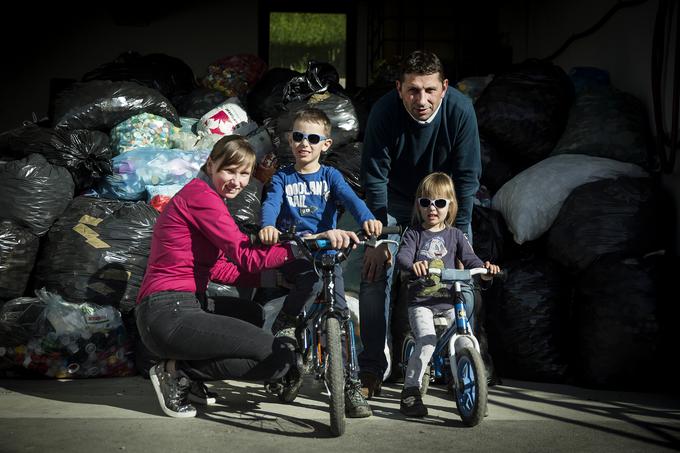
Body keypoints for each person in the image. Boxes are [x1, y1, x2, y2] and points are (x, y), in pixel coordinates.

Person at [136, 134, 358, 418]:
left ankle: (191, 376)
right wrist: (304, 246)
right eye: (230, 170)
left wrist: (274, 280)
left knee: (250, 312)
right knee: (278, 359)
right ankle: (178, 373)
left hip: (180, 305)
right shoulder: (200, 197)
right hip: (168, 312)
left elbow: (219, 269)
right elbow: (244, 257)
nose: (237, 181)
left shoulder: (206, 197)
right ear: (210, 164)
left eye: (244, 174)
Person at [359, 50, 482, 398]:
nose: (422, 100)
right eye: (413, 90)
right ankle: (371, 368)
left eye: (430, 90)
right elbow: (375, 180)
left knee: (464, 283)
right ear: (399, 88)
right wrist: (378, 240)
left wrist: (461, 236)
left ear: (444, 87)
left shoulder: (460, 110)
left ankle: (456, 363)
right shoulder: (385, 112)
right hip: (396, 202)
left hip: (444, 201)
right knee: (373, 277)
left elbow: (468, 179)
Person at [259, 108, 382, 418]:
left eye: (313, 138)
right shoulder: (283, 177)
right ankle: (288, 319)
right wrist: (268, 226)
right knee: (308, 281)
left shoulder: (331, 176)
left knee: (339, 316)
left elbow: (351, 199)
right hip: (294, 250)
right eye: (299, 137)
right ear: (290, 139)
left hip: (327, 254)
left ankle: (350, 386)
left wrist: (368, 219)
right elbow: (272, 203)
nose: (305, 143)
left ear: (325, 144)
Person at [396, 173, 499, 416]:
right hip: (422, 303)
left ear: (450, 206)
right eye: (426, 202)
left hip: (449, 300)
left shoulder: (456, 236)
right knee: (427, 341)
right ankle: (410, 392)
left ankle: (474, 394)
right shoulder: (414, 234)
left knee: (465, 338)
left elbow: (471, 260)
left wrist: (485, 271)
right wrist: (414, 266)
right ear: (419, 206)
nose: (432, 208)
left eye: (440, 203)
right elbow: (402, 257)